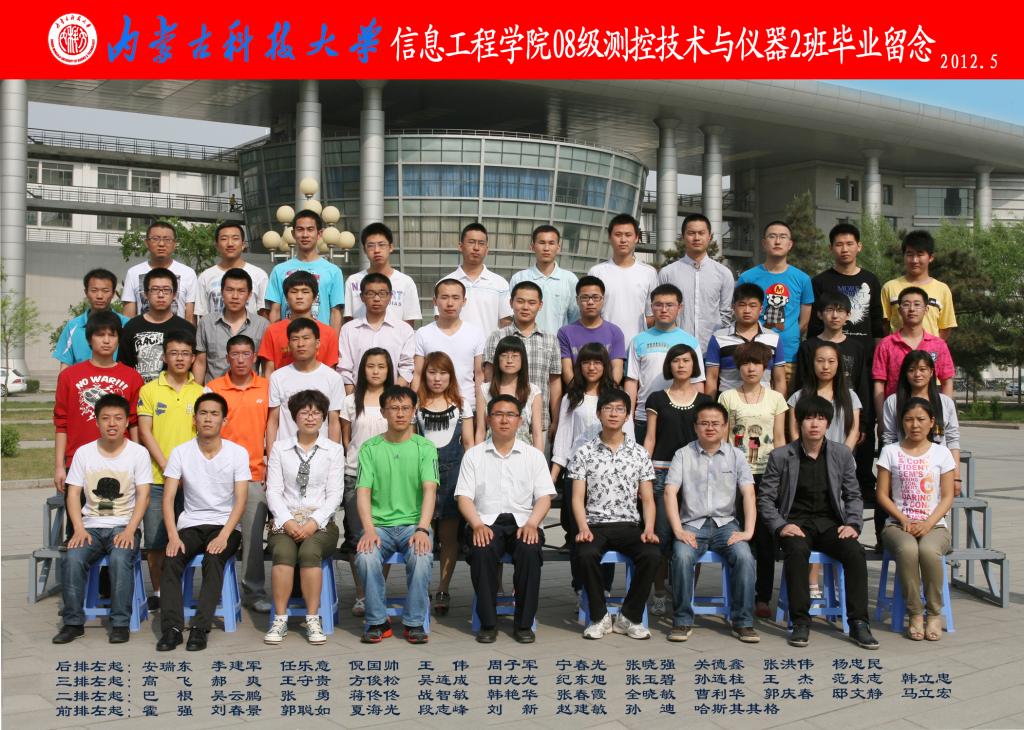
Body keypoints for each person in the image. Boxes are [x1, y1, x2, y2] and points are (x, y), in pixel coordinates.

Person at [758, 395, 880, 650]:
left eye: (820, 418)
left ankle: (859, 623)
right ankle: (800, 622)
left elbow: (853, 495)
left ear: (828, 423)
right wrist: (781, 526)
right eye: (809, 418)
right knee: (796, 551)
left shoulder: (841, 454)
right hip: (795, 523)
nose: (814, 424)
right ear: (799, 422)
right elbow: (765, 499)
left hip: (830, 524)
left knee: (854, 551)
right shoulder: (781, 456)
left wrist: (853, 524)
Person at [51, 394, 151, 645]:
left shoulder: (138, 453)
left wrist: (130, 530)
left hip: (123, 525)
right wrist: (78, 529)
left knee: (119, 558)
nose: (112, 423)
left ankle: (120, 623)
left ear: (126, 422)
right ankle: (73, 623)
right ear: (96, 422)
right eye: (105, 418)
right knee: (73, 558)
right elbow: (73, 493)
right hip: (91, 527)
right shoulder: (84, 453)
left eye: (118, 418)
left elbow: (144, 495)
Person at [456, 394, 556, 644]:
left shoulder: (533, 456)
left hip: (524, 523)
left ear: (520, 421)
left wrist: (532, 523)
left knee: (529, 550)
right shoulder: (474, 455)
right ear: (488, 419)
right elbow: (464, 498)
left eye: (510, 415)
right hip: (485, 522)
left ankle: (523, 624)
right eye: (498, 414)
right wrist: (477, 524)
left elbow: (544, 497)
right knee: (482, 550)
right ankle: (488, 623)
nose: (504, 420)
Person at [156, 393, 249, 652]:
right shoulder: (181, 452)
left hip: (225, 526)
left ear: (224, 420)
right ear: (194, 419)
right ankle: (172, 629)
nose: (208, 419)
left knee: (214, 558)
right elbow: (168, 499)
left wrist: (224, 535)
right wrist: (173, 536)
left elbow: (241, 500)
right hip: (191, 524)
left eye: (214, 414)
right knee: (171, 559)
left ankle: (199, 627)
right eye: (203, 413)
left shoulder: (237, 453)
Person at [663, 401, 759, 643]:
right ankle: (682, 620)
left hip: (726, 525)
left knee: (745, 557)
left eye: (715, 423)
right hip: (692, 525)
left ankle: (743, 622)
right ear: (695, 427)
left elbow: (749, 493)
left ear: (725, 426)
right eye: (704, 423)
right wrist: (677, 530)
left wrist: (748, 531)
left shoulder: (737, 456)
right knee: (682, 556)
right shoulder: (683, 454)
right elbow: (670, 492)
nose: (710, 428)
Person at [569, 390, 661, 640]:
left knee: (652, 554)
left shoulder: (639, 453)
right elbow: (577, 498)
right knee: (585, 553)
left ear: (627, 415)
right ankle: (599, 617)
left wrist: (649, 529)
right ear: (599, 413)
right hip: (595, 525)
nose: (613, 413)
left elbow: (648, 499)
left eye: (619, 409)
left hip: (629, 525)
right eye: (608, 408)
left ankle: (629, 617)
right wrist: (583, 528)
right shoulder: (584, 452)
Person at [354, 386, 439, 645]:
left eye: (405, 408)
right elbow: (363, 492)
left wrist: (423, 529)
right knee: (365, 557)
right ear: (383, 412)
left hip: (414, 524)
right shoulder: (370, 448)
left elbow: (430, 490)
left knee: (422, 557)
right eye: (394, 408)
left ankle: (414, 622)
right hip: (379, 525)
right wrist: (369, 529)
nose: (400, 414)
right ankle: (377, 621)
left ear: (414, 411)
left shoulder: (425, 447)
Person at [263, 390, 345, 646]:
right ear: (294, 416)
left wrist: (313, 523)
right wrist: (287, 521)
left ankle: (312, 618)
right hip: (285, 521)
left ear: (323, 417)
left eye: (316, 413)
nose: (310, 417)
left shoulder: (333, 450)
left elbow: (335, 494)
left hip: (320, 523)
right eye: (304, 412)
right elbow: (273, 491)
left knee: (310, 552)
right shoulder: (279, 448)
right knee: (283, 551)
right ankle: (280, 618)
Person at [876, 397, 956, 642]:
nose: (915, 425)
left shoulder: (942, 453)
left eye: (921, 419)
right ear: (902, 422)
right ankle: (915, 614)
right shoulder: (890, 452)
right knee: (909, 549)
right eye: (909, 419)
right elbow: (882, 494)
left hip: (935, 526)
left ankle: (934, 613)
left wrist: (928, 523)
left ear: (932, 422)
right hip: (897, 525)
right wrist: (903, 519)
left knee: (929, 551)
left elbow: (948, 496)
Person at [718, 341, 788, 617]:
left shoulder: (776, 399)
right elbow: (723, 438)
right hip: (736, 474)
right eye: (746, 363)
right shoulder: (727, 397)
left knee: (766, 538)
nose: (751, 368)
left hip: (767, 475)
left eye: (756, 363)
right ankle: (738, 593)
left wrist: (782, 475)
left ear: (765, 367)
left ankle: (762, 597)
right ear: (738, 367)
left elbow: (780, 439)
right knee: (736, 536)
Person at [642, 342, 713, 613]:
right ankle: (659, 591)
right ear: (669, 365)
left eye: (686, 360)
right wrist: (643, 474)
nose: (681, 365)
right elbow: (650, 438)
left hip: (695, 475)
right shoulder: (657, 399)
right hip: (661, 472)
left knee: (693, 534)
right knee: (661, 534)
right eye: (676, 360)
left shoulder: (705, 402)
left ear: (694, 365)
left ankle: (686, 593)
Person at [137, 331, 205, 610]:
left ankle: (182, 590)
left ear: (193, 359)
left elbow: (205, 435)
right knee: (156, 541)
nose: (179, 358)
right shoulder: (149, 390)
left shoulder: (200, 393)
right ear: (164, 357)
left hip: (191, 483)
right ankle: (160, 593)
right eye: (174, 353)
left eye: (185, 353)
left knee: (187, 540)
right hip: (157, 478)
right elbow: (145, 431)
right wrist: (167, 465)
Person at [206, 334, 272, 613]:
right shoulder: (213, 388)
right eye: (235, 354)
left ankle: (253, 592)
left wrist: (271, 464)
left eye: (246, 354)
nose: (241, 360)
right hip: (219, 476)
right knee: (215, 533)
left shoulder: (266, 387)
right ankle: (216, 590)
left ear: (254, 357)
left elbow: (272, 426)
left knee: (254, 538)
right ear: (227, 358)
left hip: (254, 473)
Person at [54, 312, 143, 502]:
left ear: (119, 339)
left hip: (121, 462)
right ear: (89, 339)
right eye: (100, 335)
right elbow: (61, 423)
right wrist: (59, 466)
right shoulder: (69, 377)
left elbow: (134, 422)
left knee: (122, 518)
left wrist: (137, 461)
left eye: (112, 335)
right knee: (77, 519)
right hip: (78, 462)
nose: (106, 340)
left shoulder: (132, 377)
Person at [415, 351, 475, 618]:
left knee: (449, 537)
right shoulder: (416, 405)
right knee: (423, 533)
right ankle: (421, 587)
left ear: (451, 376)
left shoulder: (462, 405)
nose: (437, 378)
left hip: (454, 476)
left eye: (443, 373)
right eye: (432, 372)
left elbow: (469, 444)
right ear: (424, 375)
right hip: (422, 477)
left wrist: (472, 481)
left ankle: (443, 588)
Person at [341, 348, 395, 618]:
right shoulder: (351, 401)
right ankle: (362, 594)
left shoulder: (395, 400)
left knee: (383, 535)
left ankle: (378, 590)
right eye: (370, 366)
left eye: (381, 366)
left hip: (389, 477)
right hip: (355, 475)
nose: (375, 371)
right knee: (357, 537)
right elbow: (346, 439)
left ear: (389, 370)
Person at [624, 283, 706, 445]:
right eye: (658, 305)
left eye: (669, 305)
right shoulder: (638, 340)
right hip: (644, 417)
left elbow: (697, 382)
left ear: (680, 307)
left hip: (681, 416)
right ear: (651, 307)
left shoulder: (690, 341)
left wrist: (699, 416)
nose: (663, 310)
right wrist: (628, 418)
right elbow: (631, 381)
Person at [736, 221, 814, 389]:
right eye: (772, 236)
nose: (777, 241)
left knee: (786, 402)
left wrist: (787, 334)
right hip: (754, 356)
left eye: (782, 237)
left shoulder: (803, 279)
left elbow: (804, 323)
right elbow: (740, 313)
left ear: (790, 244)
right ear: (764, 243)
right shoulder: (747, 277)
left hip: (789, 355)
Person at [483, 281, 563, 441]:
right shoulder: (497, 337)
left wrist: (556, 420)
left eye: (532, 302)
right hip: (502, 423)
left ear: (540, 305)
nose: (525, 307)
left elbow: (554, 382)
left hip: (540, 424)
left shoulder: (550, 340)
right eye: (520, 301)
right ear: (511, 303)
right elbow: (489, 378)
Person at [872, 287, 955, 431]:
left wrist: (943, 416)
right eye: (906, 304)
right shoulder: (886, 344)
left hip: (930, 419)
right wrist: (881, 420)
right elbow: (879, 384)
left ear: (926, 309)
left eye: (917, 304)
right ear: (899, 310)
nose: (911, 309)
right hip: (895, 418)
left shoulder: (938, 345)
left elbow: (947, 381)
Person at [881, 350, 962, 492]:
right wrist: (890, 476)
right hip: (904, 473)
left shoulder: (945, 402)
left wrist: (956, 476)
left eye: (923, 369)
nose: (917, 374)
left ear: (931, 372)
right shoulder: (893, 402)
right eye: (911, 370)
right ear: (905, 373)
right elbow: (889, 438)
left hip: (938, 473)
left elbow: (952, 439)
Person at [657, 213, 735, 350]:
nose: (696, 238)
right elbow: (661, 311)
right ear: (683, 236)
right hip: (676, 349)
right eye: (691, 233)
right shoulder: (667, 273)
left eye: (701, 233)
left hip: (712, 350)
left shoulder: (724, 274)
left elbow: (726, 314)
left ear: (709, 236)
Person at [266, 318, 344, 445]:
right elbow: (273, 421)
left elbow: (334, 422)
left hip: (321, 453)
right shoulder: (277, 377)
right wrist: (271, 455)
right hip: (286, 452)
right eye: (295, 339)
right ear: (289, 344)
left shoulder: (333, 378)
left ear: (317, 343)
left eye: (306, 338)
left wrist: (334, 454)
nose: (300, 344)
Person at [413, 279, 485, 415]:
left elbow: (479, 375)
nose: (450, 303)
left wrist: (481, 413)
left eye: (456, 298)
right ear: (435, 301)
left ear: (464, 301)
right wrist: (415, 408)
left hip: (467, 407)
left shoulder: (476, 333)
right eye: (444, 297)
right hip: (430, 409)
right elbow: (417, 374)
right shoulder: (423, 333)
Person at [265, 210, 345, 330]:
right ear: (293, 233)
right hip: (286, 338)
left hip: (321, 338)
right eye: (300, 229)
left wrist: (332, 340)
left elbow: (336, 313)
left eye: (310, 229)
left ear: (319, 234)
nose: (305, 235)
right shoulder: (279, 270)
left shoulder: (333, 271)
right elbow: (275, 311)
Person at [588, 213, 658, 347]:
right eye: (618, 234)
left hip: (638, 347)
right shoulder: (596, 272)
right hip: (604, 346)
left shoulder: (649, 273)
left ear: (636, 238)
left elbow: (651, 315)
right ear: (609, 237)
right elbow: (590, 312)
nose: (623, 240)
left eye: (628, 235)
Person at [704, 283, 786, 397]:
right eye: (742, 305)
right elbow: (711, 378)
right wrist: (710, 406)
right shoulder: (718, 337)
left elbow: (779, 379)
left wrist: (779, 405)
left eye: (753, 305)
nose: (747, 310)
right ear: (733, 307)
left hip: (765, 403)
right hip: (728, 402)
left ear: (761, 309)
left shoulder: (774, 338)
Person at [807, 223, 885, 342]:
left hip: (865, 350)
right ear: (830, 248)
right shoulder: (819, 282)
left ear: (859, 246)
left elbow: (876, 318)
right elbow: (814, 322)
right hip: (829, 350)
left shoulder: (871, 279)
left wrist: (878, 347)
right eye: (839, 244)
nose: (844, 249)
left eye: (849, 244)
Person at [338, 272, 415, 392]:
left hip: (392, 397)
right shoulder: (348, 330)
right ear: (362, 297)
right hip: (357, 397)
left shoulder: (404, 330)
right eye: (370, 294)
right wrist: (352, 399)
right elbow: (344, 369)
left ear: (390, 296)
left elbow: (406, 368)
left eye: (382, 294)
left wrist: (392, 397)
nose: (377, 299)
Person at [119, 267, 196, 383]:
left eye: (166, 290)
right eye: (155, 289)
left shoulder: (186, 328)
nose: (161, 295)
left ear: (174, 294)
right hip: (139, 391)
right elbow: (124, 367)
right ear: (146, 294)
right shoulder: (131, 327)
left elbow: (193, 366)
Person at [258, 271, 339, 379]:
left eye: (305, 292)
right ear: (286, 297)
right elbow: (268, 372)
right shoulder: (272, 331)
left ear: (315, 297)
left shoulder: (329, 333)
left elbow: (331, 373)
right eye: (294, 292)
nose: (299, 296)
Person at [194, 268, 268, 383]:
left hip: (249, 391)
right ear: (221, 292)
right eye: (229, 290)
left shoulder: (262, 325)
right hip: (214, 391)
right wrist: (198, 391)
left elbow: (266, 367)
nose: (235, 296)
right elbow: (200, 362)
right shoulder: (206, 323)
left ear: (249, 295)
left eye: (241, 291)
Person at [438, 222, 512, 335]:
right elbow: (439, 321)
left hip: (489, 346)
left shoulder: (500, 284)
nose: (476, 248)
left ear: (487, 249)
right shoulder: (444, 284)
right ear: (460, 246)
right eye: (471, 242)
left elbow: (506, 322)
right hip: (454, 345)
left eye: (481, 243)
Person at [881, 230, 956, 339]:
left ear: (931, 257)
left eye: (920, 254)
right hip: (898, 349)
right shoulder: (889, 287)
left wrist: (933, 347)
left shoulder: (942, 289)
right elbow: (884, 324)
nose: (914, 260)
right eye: (910, 254)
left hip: (930, 350)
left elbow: (945, 327)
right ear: (904, 256)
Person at [788, 340, 862, 452]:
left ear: (838, 364)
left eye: (831, 361)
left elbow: (854, 432)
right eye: (820, 361)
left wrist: (841, 457)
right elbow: (794, 432)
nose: (826, 366)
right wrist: (806, 457)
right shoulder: (798, 397)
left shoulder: (851, 397)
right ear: (812, 363)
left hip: (841, 459)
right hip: (806, 459)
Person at [343, 222, 422, 326]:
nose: (377, 250)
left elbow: (409, 322)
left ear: (391, 247)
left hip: (395, 336)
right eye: (371, 246)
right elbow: (349, 319)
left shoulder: (406, 282)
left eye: (381, 245)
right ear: (364, 250)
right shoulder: (353, 281)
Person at [509, 224, 580, 335]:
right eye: (542, 243)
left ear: (558, 247)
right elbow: (512, 314)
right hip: (524, 342)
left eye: (551, 243)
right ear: (532, 246)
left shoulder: (570, 279)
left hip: (558, 343)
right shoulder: (519, 278)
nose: (546, 248)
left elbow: (575, 317)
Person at [53, 268, 130, 370]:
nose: (99, 296)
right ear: (86, 292)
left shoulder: (126, 325)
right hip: (81, 380)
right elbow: (65, 366)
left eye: (105, 291)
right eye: (94, 290)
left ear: (113, 293)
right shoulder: (73, 327)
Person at [121, 221, 198, 322]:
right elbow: (128, 317)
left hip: (178, 331)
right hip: (143, 331)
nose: (161, 244)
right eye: (155, 239)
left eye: (167, 239)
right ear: (146, 243)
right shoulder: (133, 273)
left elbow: (190, 316)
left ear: (175, 244)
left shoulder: (188, 273)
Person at [557, 276, 627, 384]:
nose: (590, 302)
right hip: (576, 391)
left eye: (595, 297)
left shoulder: (615, 332)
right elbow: (567, 370)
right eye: (585, 297)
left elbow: (617, 369)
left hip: (607, 391)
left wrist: (609, 392)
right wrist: (579, 392)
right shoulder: (565, 332)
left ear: (603, 300)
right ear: (577, 300)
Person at [477, 337, 543, 450]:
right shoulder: (484, 390)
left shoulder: (533, 391)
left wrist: (539, 459)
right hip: (491, 453)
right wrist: (477, 457)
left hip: (524, 454)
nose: (509, 360)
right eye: (504, 355)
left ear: (523, 359)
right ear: (497, 359)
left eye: (515, 356)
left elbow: (537, 433)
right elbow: (481, 430)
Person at [194, 222, 269, 321]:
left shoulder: (259, 275)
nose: (230, 243)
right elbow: (202, 314)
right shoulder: (205, 277)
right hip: (215, 330)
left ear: (243, 245)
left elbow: (263, 314)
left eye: (235, 238)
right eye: (224, 239)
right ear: (217, 245)